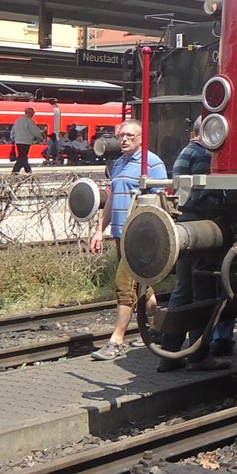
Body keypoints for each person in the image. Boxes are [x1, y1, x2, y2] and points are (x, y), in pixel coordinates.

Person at [159, 118, 233, 371]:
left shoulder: (186, 151)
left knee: (182, 292)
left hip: (185, 228)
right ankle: (199, 356)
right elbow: (202, 195)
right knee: (203, 295)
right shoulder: (203, 155)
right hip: (201, 231)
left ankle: (169, 354)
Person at [90, 119, 166, 361]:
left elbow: (162, 202)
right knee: (144, 286)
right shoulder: (118, 163)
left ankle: (117, 340)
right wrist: (100, 230)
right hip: (120, 234)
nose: (124, 140)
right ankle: (159, 328)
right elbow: (112, 199)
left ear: (141, 138)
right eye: (122, 135)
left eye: (130, 136)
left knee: (124, 285)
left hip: (138, 238)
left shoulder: (152, 164)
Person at [10, 107, 44, 174]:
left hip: (18, 141)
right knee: (23, 156)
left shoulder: (18, 120)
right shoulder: (29, 121)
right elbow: (35, 132)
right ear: (31, 113)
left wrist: (13, 138)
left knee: (22, 156)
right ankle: (17, 171)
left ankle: (27, 170)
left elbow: (13, 131)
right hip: (26, 141)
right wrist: (39, 137)